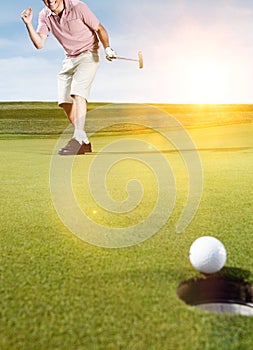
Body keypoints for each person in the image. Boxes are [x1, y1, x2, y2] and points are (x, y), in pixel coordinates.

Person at [21, 0, 116, 155]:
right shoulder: (44, 15)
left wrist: (108, 48)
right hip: (70, 58)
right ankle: (83, 140)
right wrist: (28, 24)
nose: (50, 0)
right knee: (65, 102)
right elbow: (39, 44)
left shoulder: (78, 7)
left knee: (77, 93)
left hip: (89, 54)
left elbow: (99, 28)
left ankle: (77, 139)